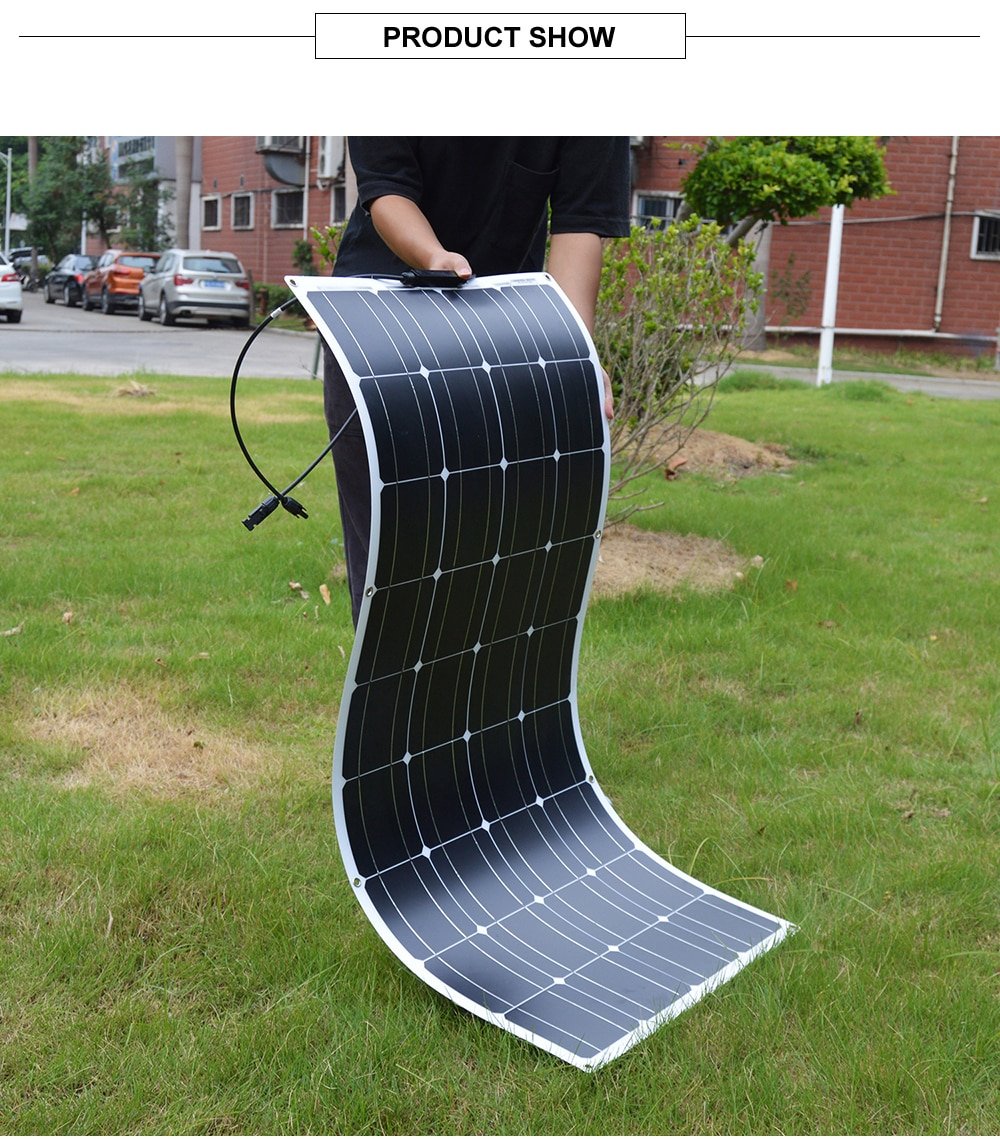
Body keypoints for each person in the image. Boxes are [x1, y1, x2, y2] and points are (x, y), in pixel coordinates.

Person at [324, 137, 631, 625]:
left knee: (495, 566)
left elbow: (579, 224)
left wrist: (573, 352)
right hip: (377, 330)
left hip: (507, 336)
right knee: (393, 563)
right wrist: (434, 259)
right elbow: (387, 188)